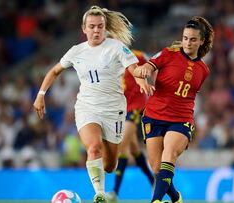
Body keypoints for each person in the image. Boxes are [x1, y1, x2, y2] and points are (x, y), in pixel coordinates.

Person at [33, 5, 153, 203]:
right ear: (84, 29)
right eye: (92, 26)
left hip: (114, 110)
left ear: (105, 27)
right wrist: (41, 94)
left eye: (100, 26)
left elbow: (134, 69)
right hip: (87, 107)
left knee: (109, 165)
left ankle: (110, 179)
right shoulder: (76, 51)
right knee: (93, 147)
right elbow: (54, 71)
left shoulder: (116, 47)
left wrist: (142, 81)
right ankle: (99, 193)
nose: (96, 30)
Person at [133, 16, 214, 203]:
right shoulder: (168, 54)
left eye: (193, 39)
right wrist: (144, 71)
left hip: (181, 119)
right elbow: (145, 66)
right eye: (185, 38)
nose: (188, 42)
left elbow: (189, 94)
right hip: (154, 116)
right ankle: (176, 197)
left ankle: (156, 200)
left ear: (201, 41)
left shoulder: (203, 70)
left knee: (169, 152)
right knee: (156, 167)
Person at [107, 50, 155, 202]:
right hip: (122, 108)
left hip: (136, 106)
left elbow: (152, 66)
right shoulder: (108, 61)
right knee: (133, 148)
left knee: (122, 145)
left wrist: (151, 84)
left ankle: (114, 192)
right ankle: (153, 179)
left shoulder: (136, 55)